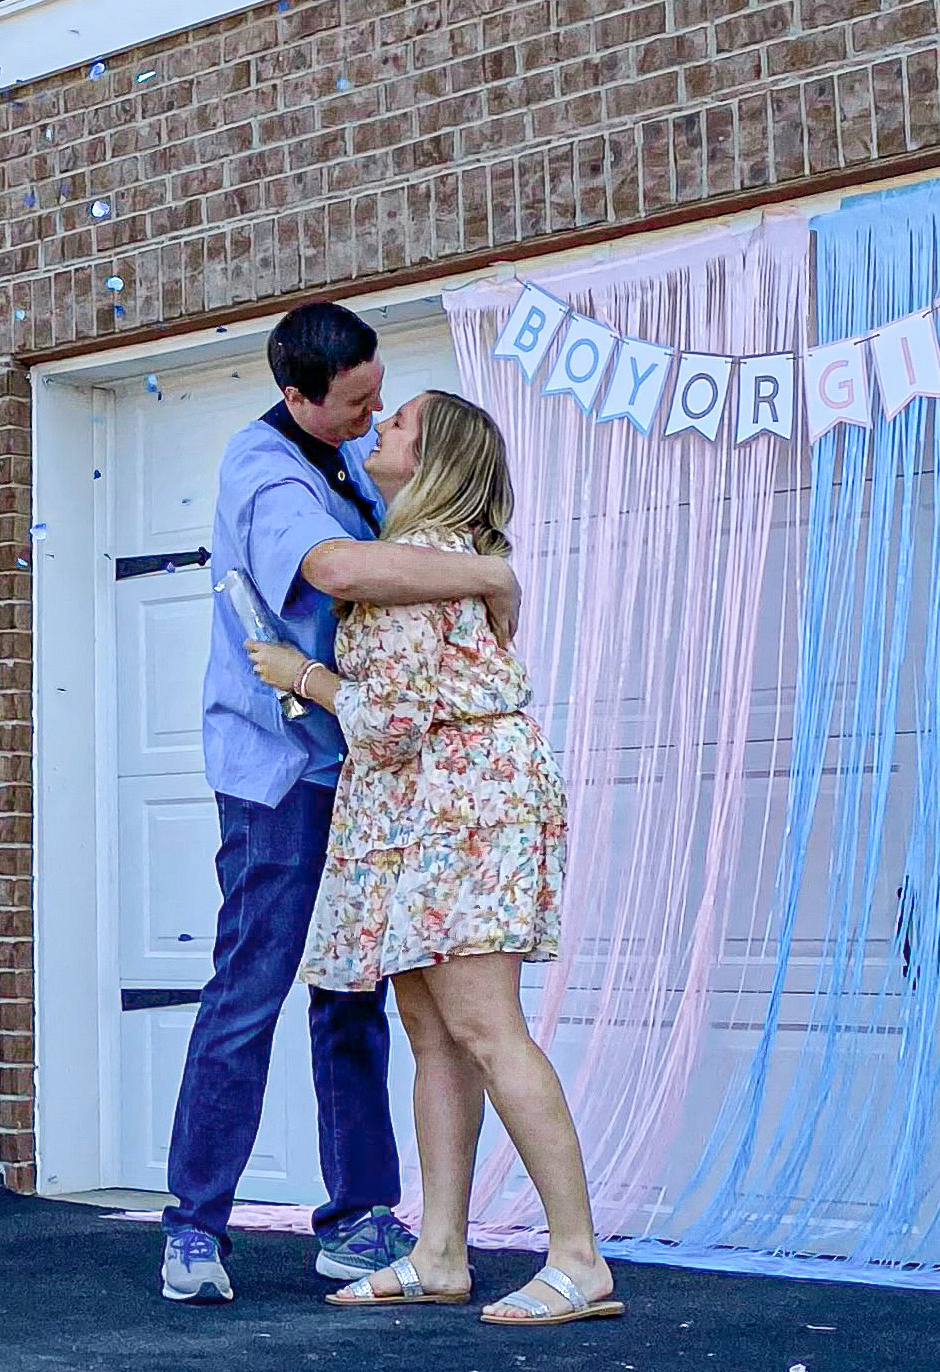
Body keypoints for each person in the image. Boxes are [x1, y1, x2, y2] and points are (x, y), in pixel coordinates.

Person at [160, 304, 521, 1305]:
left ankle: (360, 1216)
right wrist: (489, 570)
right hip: (279, 770)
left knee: (353, 994)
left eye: (381, 396)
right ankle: (194, 1225)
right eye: (356, 404)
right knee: (251, 988)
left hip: (363, 766)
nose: (373, 418)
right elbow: (335, 568)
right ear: (297, 397)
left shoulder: (354, 453)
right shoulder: (264, 466)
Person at [247, 390, 624, 1326]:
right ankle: (440, 1251)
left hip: (464, 801)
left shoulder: (432, 569)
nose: (380, 431)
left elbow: (394, 716)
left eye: (401, 424)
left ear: (438, 461)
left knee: (485, 1022)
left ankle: (579, 1259)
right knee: (427, 1024)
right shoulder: (422, 563)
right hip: (418, 805)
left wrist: (307, 677)